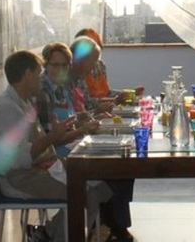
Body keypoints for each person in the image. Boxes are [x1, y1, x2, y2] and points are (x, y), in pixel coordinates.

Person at [0, 50, 112, 242]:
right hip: (19, 178)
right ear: (27, 75)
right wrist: (53, 136)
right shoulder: (5, 108)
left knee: (99, 185)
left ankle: (49, 234)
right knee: (82, 192)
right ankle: (54, 235)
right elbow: (18, 160)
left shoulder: (22, 102)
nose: (40, 79)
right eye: (37, 74)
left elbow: (38, 147)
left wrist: (55, 137)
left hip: (40, 167)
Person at [69, 35, 136, 242]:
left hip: (83, 132)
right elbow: (71, 118)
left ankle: (113, 221)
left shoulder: (78, 78)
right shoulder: (61, 83)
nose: (95, 66)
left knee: (125, 159)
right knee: (119, 165)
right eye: (93, 60)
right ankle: (114, 224)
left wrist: (96, 113)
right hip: (72, 144)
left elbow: (82, 111)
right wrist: (95, 113)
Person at [35, 42, 99, 157]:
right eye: (55, 65)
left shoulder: (63, 86)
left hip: (73, 152)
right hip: (57, 161)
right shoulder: (43, 92)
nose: (61, 70)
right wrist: (81, 130)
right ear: (45, 65)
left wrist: (92, 117)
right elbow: (49, 142)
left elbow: (69, 124)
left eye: (64, 65)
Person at [74, 28, 145, 103]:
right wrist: (116, 101)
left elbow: (107, 93)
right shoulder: (79, 69)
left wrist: (130, 94)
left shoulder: (100, 66)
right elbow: (86, 102)